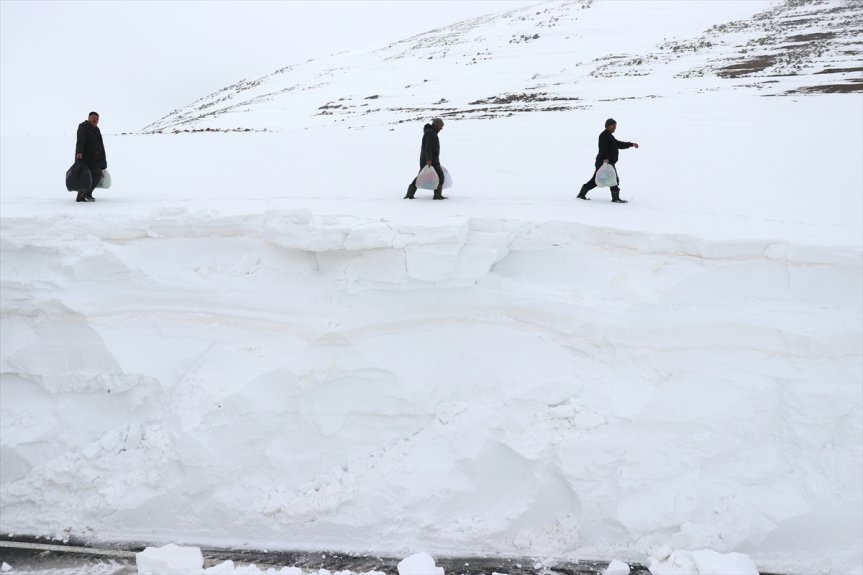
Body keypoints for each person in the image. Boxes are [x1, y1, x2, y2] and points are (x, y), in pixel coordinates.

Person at [577, 118, 638, 203]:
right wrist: (605, 159)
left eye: (615, 126)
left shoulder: (609, 135)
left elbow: (618, 144)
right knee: (609, 179)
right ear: (608, 126)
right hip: (604, 162)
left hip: (607, 162)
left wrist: (631, 144)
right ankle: (615, 198)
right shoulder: (604, 135)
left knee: (602, 180)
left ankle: (582, 194)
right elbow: (602, 148)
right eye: (613, 126)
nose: (615, 128)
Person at [405, 118, 446, 200]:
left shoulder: (430, 132)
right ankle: (437, 196)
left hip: (430, 160)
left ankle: (410, 194)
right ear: (436, 125)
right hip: (431, 161)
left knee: (421, 177)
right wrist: (429, 160)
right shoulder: (431, 134)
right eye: (440, 126)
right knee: (440, 176)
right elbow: (428, 148)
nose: (441, 128)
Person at [75, 111, 107, 202]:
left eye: (97, 119)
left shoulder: (97, 129)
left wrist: (103, 160)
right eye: (93, 118)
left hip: (96, 158)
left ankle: (88, 194)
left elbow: (100, 144)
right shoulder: (84, 126)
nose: (95, 120)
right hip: (86, 157)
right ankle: (80, 197)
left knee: (97, 175)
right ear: (89, 118)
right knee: (85, 177)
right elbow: (80, 141)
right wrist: (79, 153)